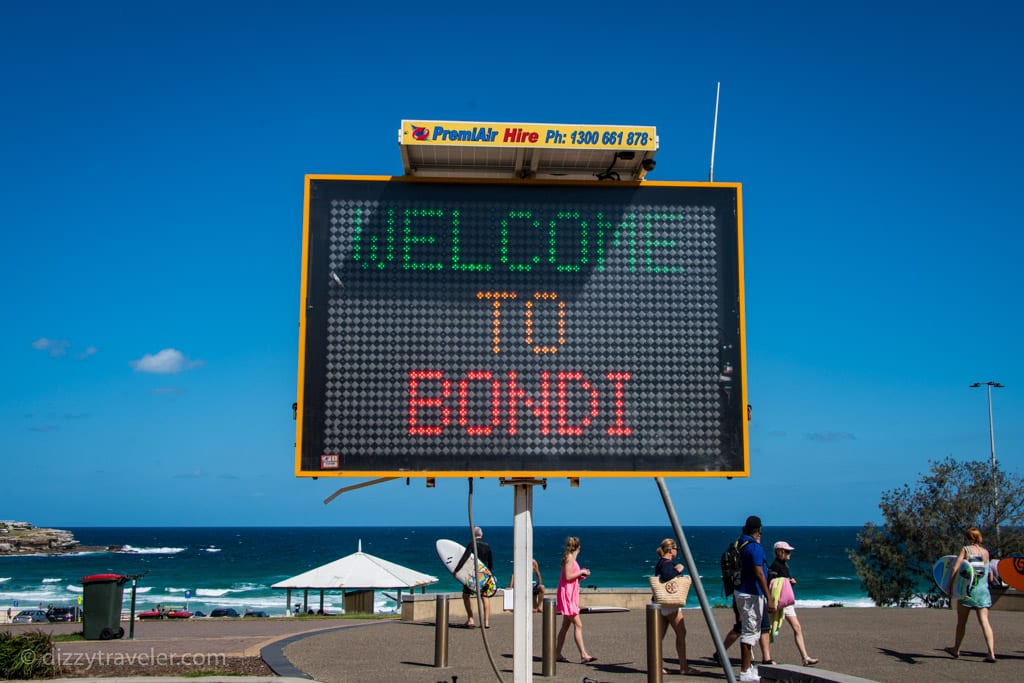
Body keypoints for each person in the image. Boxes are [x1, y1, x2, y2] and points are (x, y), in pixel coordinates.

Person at [733, 515, 776, 683]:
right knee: (749, 632)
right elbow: (759, 573)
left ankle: (749, 667)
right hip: (751, 593)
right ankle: (744, 672)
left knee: (751, 629)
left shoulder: (740, 542)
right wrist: (769, 597)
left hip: (741, 591)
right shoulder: (754, 548)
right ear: (758, 530)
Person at [944, 527, 996, 662]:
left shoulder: (966, 550)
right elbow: (990, 575)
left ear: (968, 538)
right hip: (983, 592)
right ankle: (991, 653)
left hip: (968, 591)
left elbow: (956, 567)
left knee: (961, 622)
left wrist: (949, 584)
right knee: (985, 622)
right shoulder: (986, 552)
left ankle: (956, 649)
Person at [768, 541, 819, 666]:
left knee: (797, 627)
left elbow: (782, 585)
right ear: (781, 552)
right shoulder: (775, 566)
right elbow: (772, 585)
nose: (790, 554)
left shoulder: (784, 565)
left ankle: (805, 657)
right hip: (778, 603)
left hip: (787, 603)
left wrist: (789, 584)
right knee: (768, 629)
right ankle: (766, 657)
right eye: (787, 551)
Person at [654, 539, 699, 675]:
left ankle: (657, 665)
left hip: (661, 603)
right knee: (681, 633)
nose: (677, 551)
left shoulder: (660, 563)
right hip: (670, 604)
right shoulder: (667, 563)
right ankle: (683, 667)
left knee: (658, 637)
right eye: (676, 549)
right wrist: (678, 569)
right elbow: (668, 576)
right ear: (670, 550)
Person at [555, 536, 597, 664]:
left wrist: (581, 575)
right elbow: (567, 577)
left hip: (570, 594)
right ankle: (583, 654)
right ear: (578, 547)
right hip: (567, 595)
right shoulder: (569, 558)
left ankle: (557, 653)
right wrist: (581, 571)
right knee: (578, 624)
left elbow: (570, 577)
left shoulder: (571, 558)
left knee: (565, 626)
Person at [454, 526, 493, 628]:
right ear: (481, 535)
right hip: (484, 575)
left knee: (466, 596)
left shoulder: (472, 544)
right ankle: (486, 622)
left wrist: (456, 570)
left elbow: (464, 558)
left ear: (473, 535)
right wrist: (489, 576)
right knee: (485, 597)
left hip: (472, 575)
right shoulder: (487, 546)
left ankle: (471, 619)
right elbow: (490, 562)